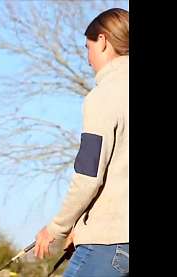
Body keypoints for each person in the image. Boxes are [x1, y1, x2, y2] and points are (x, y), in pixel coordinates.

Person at [33, 8, 129, 277]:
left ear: (103, 40)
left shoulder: (104, 96)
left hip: (109, 247)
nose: (88, 59)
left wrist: (56, 228)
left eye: (88, 47)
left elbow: (89, 175)